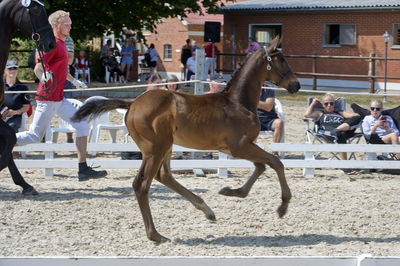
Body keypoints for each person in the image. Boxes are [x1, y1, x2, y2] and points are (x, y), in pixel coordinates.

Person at [16, 10, 107, 181]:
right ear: (55, 25)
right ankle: (4, 140)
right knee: (33, 136)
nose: (70, 27)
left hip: (59, 99)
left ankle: (83, 168)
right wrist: (42, 76)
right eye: (66, 24)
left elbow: (61, 68)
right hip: (47, 98)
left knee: (81, 126)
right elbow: (38, 66)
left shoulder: (63, 43)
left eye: (70, 24)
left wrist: (74, 81)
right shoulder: (51, 43)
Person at [304, 93, 361, 170]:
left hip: (341, 130)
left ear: (334, 104)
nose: (329, 105)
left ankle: (337, 130)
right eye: (326, 104)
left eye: (331, 103)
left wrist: (341, 126)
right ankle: (344, 166)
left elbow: (356, 115)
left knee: (357, 118)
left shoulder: (340, 113)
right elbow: (306, 115)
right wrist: (313, 103)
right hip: (328, 134)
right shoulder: (320, 114)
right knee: (341, 134)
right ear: (323, 105)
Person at [1, 60, 30, 133]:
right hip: (1, 115)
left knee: (10, 127)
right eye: (10, 68)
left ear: (17, 70)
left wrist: (14, 112)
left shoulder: (23, 88)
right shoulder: (1, 86)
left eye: (15, 68)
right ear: (5, 70)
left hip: (15, 116)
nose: (12, 70)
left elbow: (26, 107)